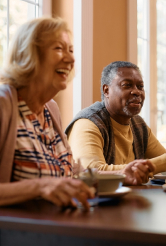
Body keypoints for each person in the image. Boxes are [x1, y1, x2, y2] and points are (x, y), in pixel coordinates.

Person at [0, 18, 153, 209]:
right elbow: (45, 186)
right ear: (28, 54)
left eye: (71, 50)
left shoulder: (50, 109)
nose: (71, 59)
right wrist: (39, 187)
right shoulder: (4, 104)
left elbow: (72, 173)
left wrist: (122, 174)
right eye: (58, 48)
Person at [65, 61, 166, 177]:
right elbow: (92, 173)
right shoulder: (88, 123)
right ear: (106, 90)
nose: (137, 92)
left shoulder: (138, 124)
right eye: (127, 85)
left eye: (140, 86)